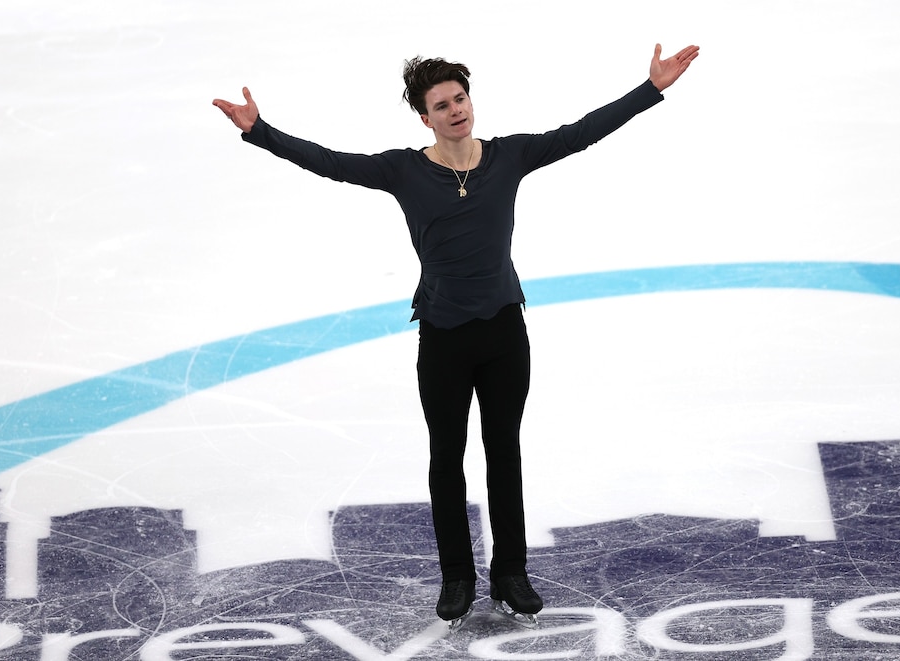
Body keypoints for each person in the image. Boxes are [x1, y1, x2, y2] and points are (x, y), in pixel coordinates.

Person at [212, 42, 699, 625]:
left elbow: (581, 133)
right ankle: (457, 579)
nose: (455, 110)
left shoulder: (510, 156)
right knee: (447, 457)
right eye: (441, 105)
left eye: (460, 98)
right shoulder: (402, 170)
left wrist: (651, 89)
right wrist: (259, 131)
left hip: (504, 331)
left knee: (504, 451)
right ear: (426, 118)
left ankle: (511, 573)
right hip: (443, 338)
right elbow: (331, 162)